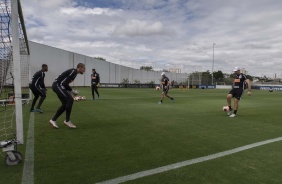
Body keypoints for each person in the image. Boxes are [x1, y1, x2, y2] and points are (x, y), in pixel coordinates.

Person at [49, 63, 86, 129]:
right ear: (79, 67)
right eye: (84, 68)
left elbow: (65, 84)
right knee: (70, 100)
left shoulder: (74, 73)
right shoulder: (73, 72)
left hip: (59, 86)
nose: (85, 70)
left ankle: (53, 120)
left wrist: (72, 93)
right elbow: (64, 83)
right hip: (58, 86)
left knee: (65, 104)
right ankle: (67, 121)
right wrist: (72, 91)